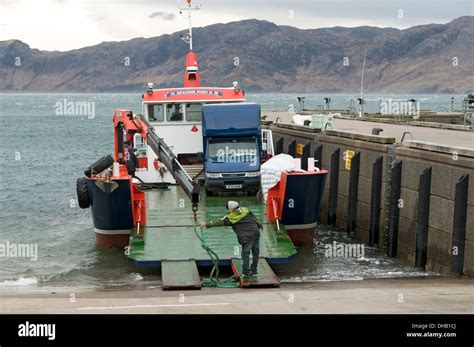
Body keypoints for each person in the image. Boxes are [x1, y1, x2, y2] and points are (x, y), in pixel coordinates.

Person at [199, 201, 263, 278]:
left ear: (231, 208)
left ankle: (246, 272)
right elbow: (254, 219)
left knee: (245, 254)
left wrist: (206, 224)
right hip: (256, 233)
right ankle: (254, 270)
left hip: (246, 237)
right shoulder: (245, 210)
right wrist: (260, 225)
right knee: (256, 252)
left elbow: (219, 222)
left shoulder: (231, 217)